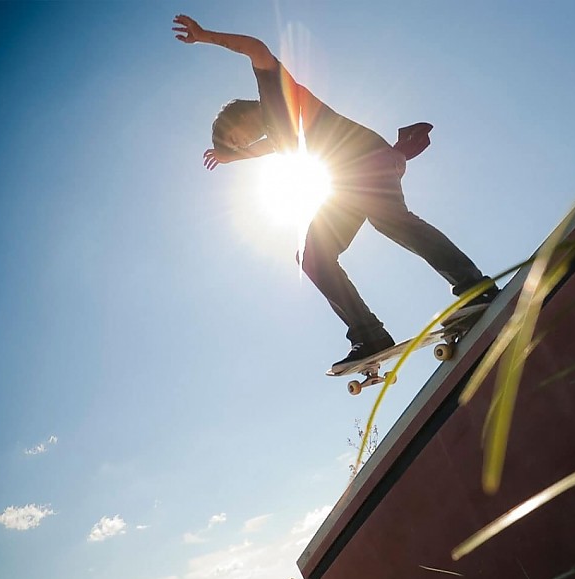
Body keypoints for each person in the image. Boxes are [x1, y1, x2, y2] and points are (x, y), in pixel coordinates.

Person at [173, 14, 497, 372]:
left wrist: (204, 36)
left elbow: (256, 48)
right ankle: (369, 334)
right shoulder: (276, 132)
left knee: (390, 221)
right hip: (349, 179)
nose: (244, 143)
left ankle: (472, 285)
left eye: (237, 137)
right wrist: (230, 156)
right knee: (314, 257)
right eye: (239, 145)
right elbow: (265, 147)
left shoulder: (273, 88)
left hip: (366, 159)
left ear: (239, 118)